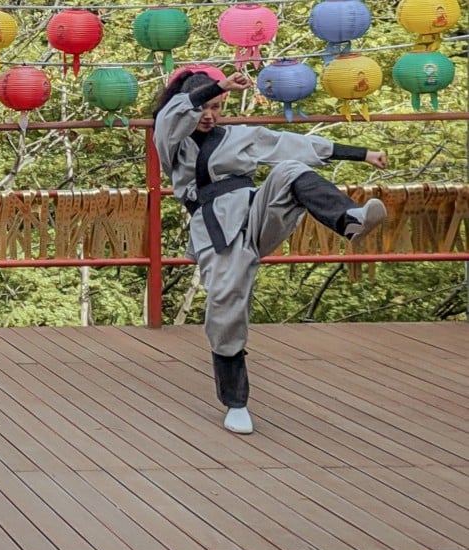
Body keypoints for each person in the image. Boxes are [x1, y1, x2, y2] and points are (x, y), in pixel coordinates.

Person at [152, 70, 388, 434]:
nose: (209, 115)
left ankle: (348, 219)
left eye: (216, 107)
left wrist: (363, 154)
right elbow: (171, 118)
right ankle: (235, 401)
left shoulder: (238, 137)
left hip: (257, 212)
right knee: (226, 308)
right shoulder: (173, 142)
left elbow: (291, 144)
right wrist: (216, 86)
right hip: (217, 230)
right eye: (203, 107)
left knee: (291, 168)